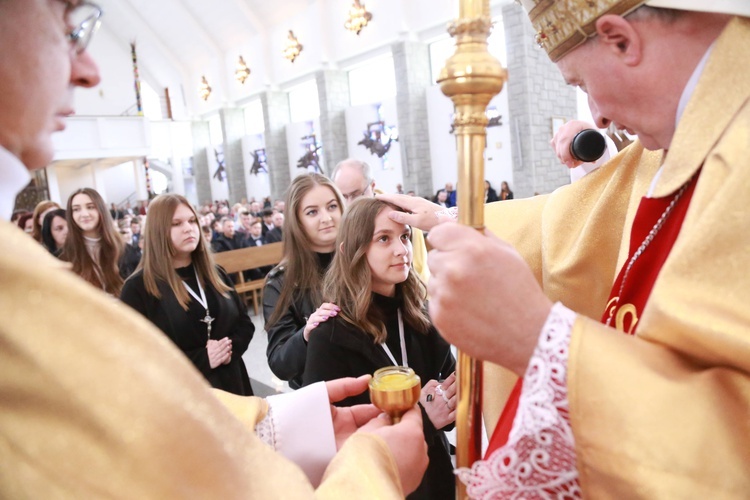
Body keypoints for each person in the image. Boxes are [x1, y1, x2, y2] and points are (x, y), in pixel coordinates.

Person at [0, 1, 427, 496]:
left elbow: (209, 358)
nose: (89, 70)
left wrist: (284, 425)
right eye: (66, 28)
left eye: (338, 205)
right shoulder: (239, 281)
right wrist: (372, 468)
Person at [380, 1, 750, 497]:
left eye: (579, 83)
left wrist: (536, 338)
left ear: (621, 38)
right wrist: (453, 220)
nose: (596, 114)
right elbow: (578, 219)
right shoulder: (697, 130)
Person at [303, 197, 457, 500]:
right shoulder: (331, 333)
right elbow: (324, 439)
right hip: (374, 485)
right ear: (352, 251)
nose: (401, 250)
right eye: (383, 239)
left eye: (404, 237)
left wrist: (449, 403)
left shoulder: (421, 315)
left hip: (433, 474)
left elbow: (447, 392)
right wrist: (423, 417)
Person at [121, 194, 255, 395]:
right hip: (184, 395)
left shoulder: (215, 273)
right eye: (176, 223)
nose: (188, 228)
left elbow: (244, 323)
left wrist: (230, 350)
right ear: (158, 231)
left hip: (233, 384)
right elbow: (139, 357)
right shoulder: (137, 288)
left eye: (192, 221)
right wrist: (203, 359)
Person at [263, 173, 345, 389]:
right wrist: (307, 334)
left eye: (332, 206)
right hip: (321, 395)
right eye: (312, 212)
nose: (326, 218)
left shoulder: (366, 259)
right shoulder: (281, 283)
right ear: (297, 221)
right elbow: (280, 364)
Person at [332, 158, 431, 282]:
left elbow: (418, 270)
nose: (349, 203)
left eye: (356, 194)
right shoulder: (335, 222)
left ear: (372, 186)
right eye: (343, 196)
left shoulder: (402, 215)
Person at [60, 187, 124, 296]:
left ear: (101, 210)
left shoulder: (123, 248)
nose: (84, 214)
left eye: (90, 207)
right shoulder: (65, 256)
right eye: (76, 209)